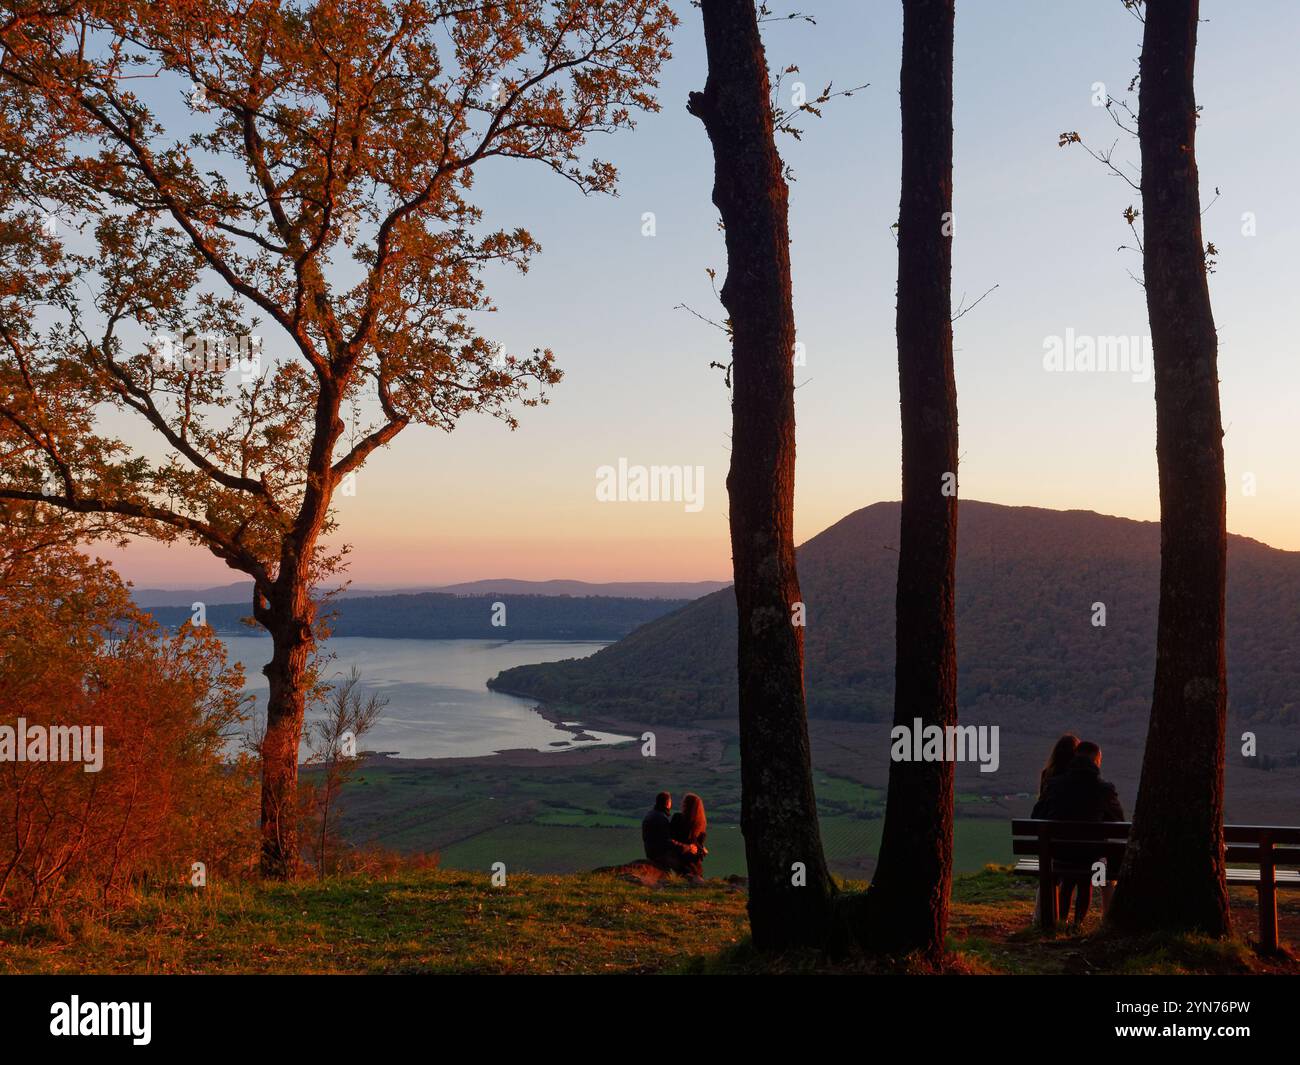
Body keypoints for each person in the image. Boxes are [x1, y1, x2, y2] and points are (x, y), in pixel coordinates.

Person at [1031, 740, 1125, 929]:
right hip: (1093, 858)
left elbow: (1037, 816)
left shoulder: (1055, 784)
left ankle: (1060, 921)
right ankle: (1080, 923)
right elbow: (1118, 820)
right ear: (1096, 760)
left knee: (1070, 871)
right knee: (1094, 870)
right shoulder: (1104, 789)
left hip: (1060, 854)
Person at [641, 791, 694, 872]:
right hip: (660, 855)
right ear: (668, 803)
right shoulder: (661, 818)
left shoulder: (650, 815)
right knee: (686, 870)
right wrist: (687, 847)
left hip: (650, 852)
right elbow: (667, 841)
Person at [669, 793, 708, 879]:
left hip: (680, 858)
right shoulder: (701, 824)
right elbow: (697, 843)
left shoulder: (678, 818)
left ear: (686, 805)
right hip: (694, 862)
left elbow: (670, 838)